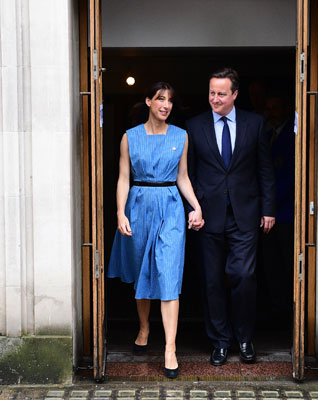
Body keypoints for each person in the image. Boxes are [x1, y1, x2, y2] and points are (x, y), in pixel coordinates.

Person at [107, 82, 204, 379]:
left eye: (170, 101)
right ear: (148, 101)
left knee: (169, 272)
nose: (166, 105)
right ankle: (145, 327)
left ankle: (170, 349)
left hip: (171, 208)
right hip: (139, 206)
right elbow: (124, 178)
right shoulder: (129, 138)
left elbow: (183, 177)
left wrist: (196, 207)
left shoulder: (181, 136)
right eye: (160, 99)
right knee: (142, 272)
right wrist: (120, 212)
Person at [186, 68, 276, 366]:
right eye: (212, 92)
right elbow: (190, 173)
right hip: (208, 217)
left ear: (235, 94)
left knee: (243, 276)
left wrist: (268, 209)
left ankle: (245, 338)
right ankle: (220, 342)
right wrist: (193, 208)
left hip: (245, 214)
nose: (215, 98)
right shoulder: (194, 125)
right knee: (212, 281)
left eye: (221, 93)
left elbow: (265, 168)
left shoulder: (255, 123)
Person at [261, 94, 295, 316]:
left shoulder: (293, 137)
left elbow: (292, 177)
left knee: (286, 264)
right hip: (266, 212)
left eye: (276, 107)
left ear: (285, 109)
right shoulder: (266, 135)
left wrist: (270, 207)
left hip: (286, 213)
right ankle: (276, 307)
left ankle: (287, 310)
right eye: (269, 108)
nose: (272, 112)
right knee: (269, 264)